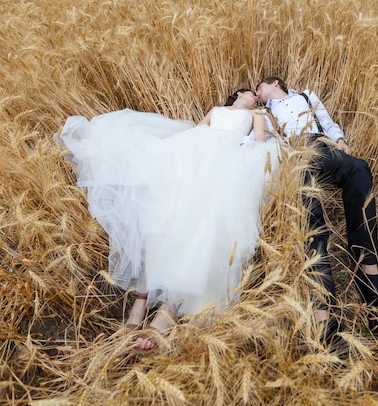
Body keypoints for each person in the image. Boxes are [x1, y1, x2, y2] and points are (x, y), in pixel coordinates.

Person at [57, 89, 279, 350]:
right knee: (163, 222)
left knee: (199, 224)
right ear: (240, 93)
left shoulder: (255, 115)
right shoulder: (217, 110)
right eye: (253, 94)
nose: (256, 99)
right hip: (194, 156)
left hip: (224, 161)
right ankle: (140, 304)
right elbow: (196, 130)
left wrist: (233, 162)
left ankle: (168, 309)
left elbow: (258, 144)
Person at [256, 76, 378, 340]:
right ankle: (326, 321)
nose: (257, 94)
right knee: (312, 224)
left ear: (274, 84)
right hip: (296, 154)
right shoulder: (263, 113)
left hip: (323, 146)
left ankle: (374, 300)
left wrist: (339, 139)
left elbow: (326, 122)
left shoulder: (307, 96)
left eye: (259, 88)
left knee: (359, 168)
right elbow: (261, 143)